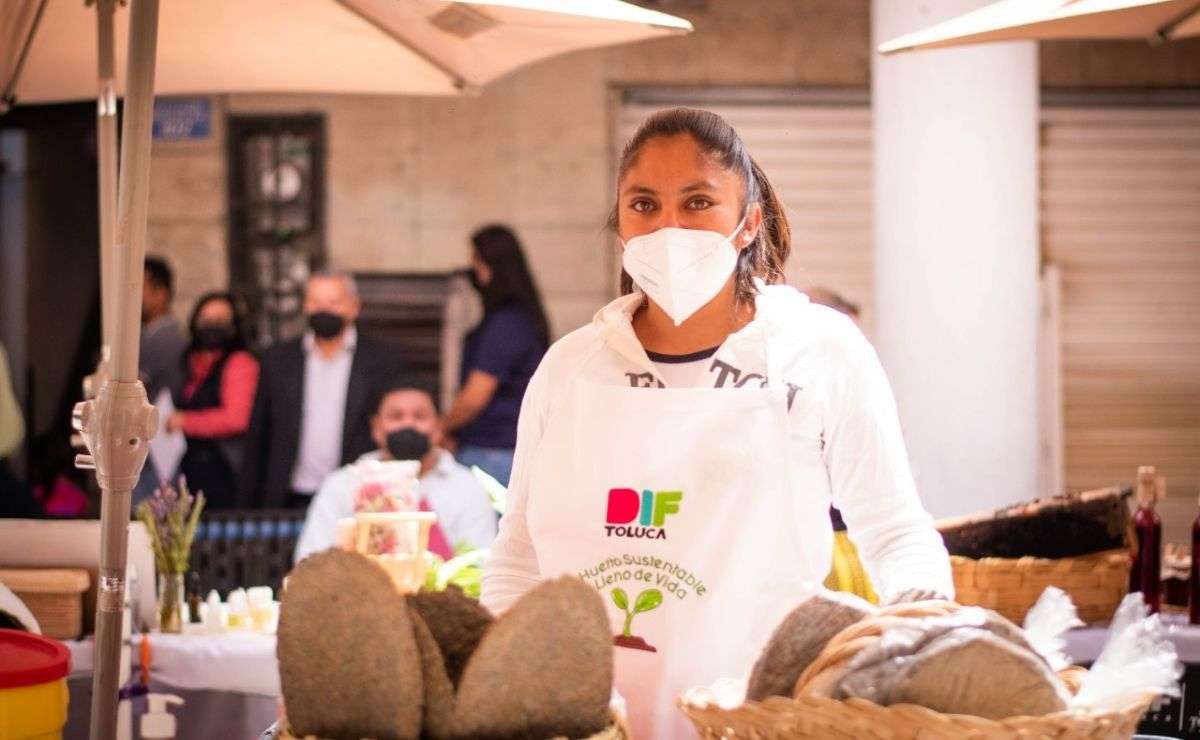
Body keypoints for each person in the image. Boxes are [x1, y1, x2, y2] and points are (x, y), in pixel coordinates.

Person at [481, 108, 953, 737]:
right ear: (620, 223)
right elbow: (518, 554)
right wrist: (500, 683)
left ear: (748, 221)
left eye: (698, 202)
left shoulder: (817, 351)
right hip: (584, 723)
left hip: (757, 719)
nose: (669, 227)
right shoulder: (570, 367)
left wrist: (925, 632)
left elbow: (894, 529)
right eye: (644, 205)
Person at [240, 271, 406, 510]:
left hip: (357, 495)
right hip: (292, 496)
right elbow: (259, 433)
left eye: (333, 302)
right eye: (315, 302)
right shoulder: (277, 361)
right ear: (305, 306)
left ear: (353, 307)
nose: (323, 310)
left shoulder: (383, 362)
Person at [294, 380, 497, 562]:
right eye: (396, 416)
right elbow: (311, 562)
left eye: (420, 416)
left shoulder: (468, 487)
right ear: (376, 427)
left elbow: (480, 566)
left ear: (438, 427)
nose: (408, 424)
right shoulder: (343, 484)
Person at [442, 226, 549, 486]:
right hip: (504, 448)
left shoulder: (506, 324)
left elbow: (475, 396)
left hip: (492, 451)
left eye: (476, 265)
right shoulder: (521, 319)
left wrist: (441, 429)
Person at [163, 292, 260, 510]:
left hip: (224, 475)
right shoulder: (191, 364)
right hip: (191, 472)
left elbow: (237, 418)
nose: (211, 326)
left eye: (220, 320)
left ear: (234, 326)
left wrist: (185, 422)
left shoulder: (239, 362)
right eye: (206, 319)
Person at [134, 256, 189, 503]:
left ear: (162, 293)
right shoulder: (150, 335)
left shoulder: (165, 338)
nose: (135, 296)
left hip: (157, 447)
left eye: (141, 288)